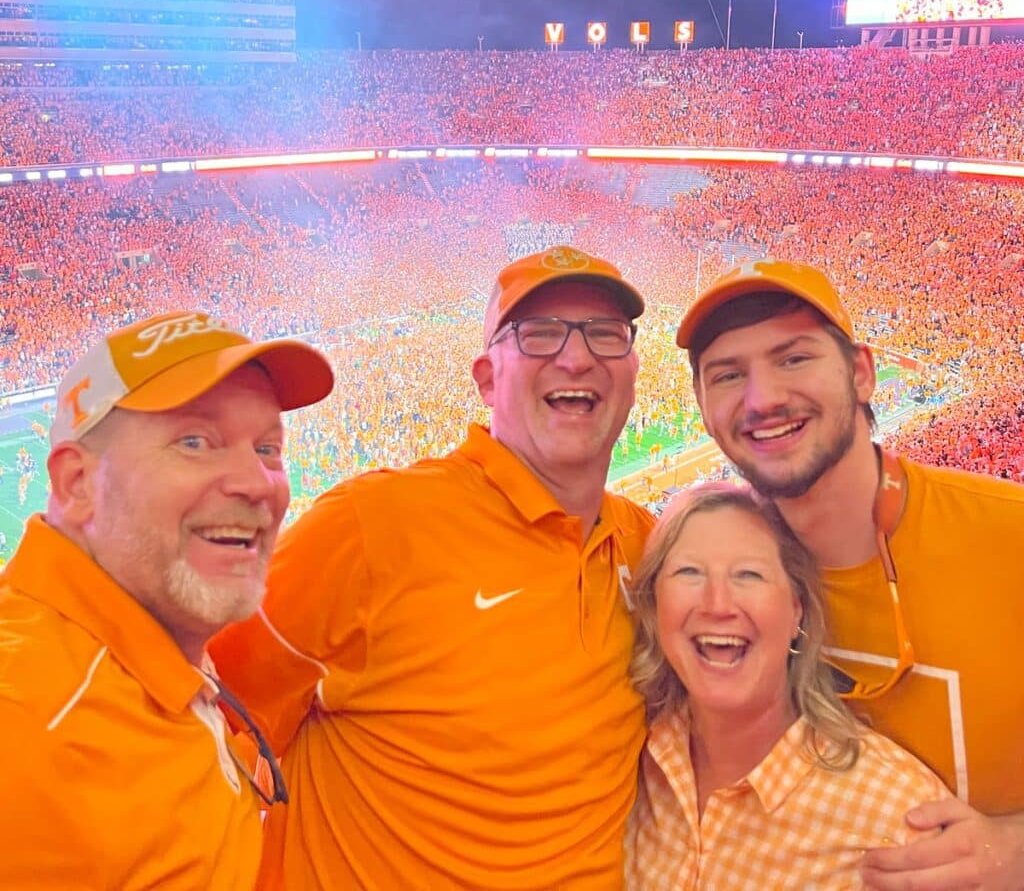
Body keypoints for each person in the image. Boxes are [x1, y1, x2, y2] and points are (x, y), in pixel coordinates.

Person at [210, 246, 655, 890]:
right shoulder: (372, 525)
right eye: (539, 334)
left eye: (606, 334)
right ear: (486, 379)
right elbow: (210, 722)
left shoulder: (653, 550)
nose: (577, 356)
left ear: (634, 369)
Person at [675, 259, 1024, 890]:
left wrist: (1013, 850)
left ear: (862, 373)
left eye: (794, 358)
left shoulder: (1010, 537)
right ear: (702, 405)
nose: (762, 398)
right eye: (728, 375)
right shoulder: (708, 586)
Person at [0, 311, 334, 890]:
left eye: (267, 447)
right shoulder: (26, 730)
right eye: (194, 441)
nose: (257, 482)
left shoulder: (155, 626)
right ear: (78, 484)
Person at [625, 483, 951, 890]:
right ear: (655, 606)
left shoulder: (898, 810)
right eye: (689, 572)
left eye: (749, 574)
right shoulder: (628, 765)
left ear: (797, 608)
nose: (718, 603)